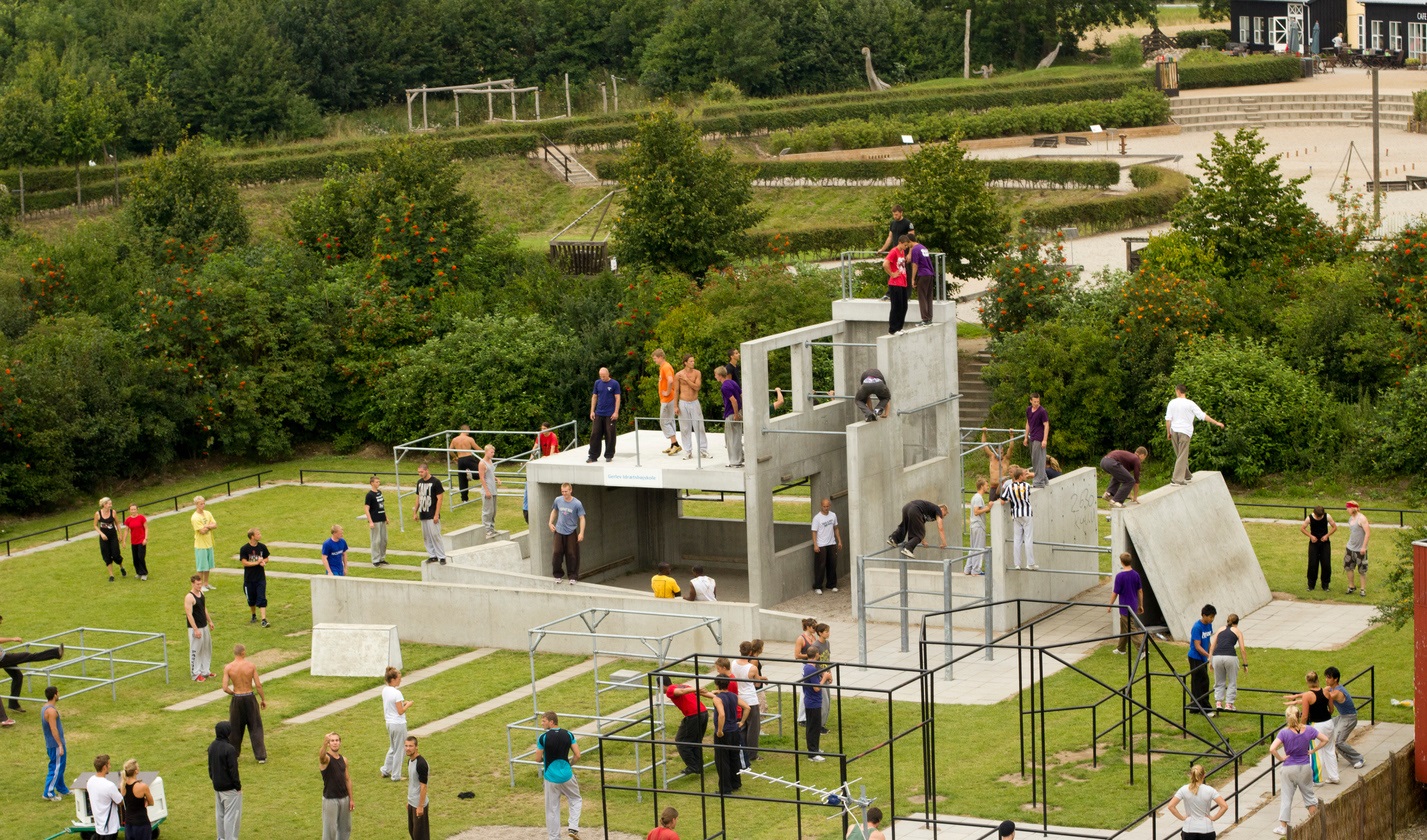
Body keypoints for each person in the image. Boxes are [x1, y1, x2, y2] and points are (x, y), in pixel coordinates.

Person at [1269, 705, 1328, 835]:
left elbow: (1272, 749)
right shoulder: (1308, 730)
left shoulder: (1284, 733)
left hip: (1289, 768)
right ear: (1299, 715)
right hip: (1305, 767)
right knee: (1309, 795)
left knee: (1286, 797)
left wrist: (1281, 758)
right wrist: (1313, 750)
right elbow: (1325, 739)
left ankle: (1283, 827)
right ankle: (1316, 821)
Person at [1, 614, 64, 719]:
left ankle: (13, 703)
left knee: (18, 676)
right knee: (29, 656)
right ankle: (56, 653)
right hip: (2, 659)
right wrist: (13, 639)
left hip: (3, 658)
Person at [1284, 670, 1339, 784]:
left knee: (1315, 752)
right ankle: (1334, 776)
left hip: (1316, 725)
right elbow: (1332, 709)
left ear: (1307, 682)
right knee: (1329, 750)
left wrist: (1302, 728)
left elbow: (1304, 715)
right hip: (1329, 722)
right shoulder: (1326, 691)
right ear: (1318, 680)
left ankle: (1317, 779)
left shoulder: (1307, 696)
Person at [1164, 384, 1225, 485]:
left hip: (1174, 430)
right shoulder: (1190, 403)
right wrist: (1216, 422)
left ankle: (1181, 477)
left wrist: (1168, 432)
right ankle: (1179, 478)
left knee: (1180, 454)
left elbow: (1168, 419)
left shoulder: (1172, 403)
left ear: (1178, 391)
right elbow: (1202, 415)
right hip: (1185, 431)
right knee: (1182, 455)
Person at [536, 711, 582, 840]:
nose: (542, 723)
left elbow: (537, 758)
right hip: (567, 775)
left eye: (544, 721)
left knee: (552, 809)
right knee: (576, 799)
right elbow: (578, 755)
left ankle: (554, 837)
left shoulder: (543, 738)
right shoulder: (568, 734)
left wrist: (544, 759)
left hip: (551, 777)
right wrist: (570, 764)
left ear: (551, 722)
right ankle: (573, 827)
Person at [222, 644, 267, 764]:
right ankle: (260, 756)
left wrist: (233, 693)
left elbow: (225, 687)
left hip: (237, 697)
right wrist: (263, 699)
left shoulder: (228, 667)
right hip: (249, 697)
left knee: (235, 727)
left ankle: (233, 754)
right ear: (243, 653)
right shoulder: (250, 666)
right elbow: (258, 685)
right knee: (255, 726)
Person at [664, 676, 712, 775]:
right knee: (695, 741)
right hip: (703, 713)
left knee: (681, 741)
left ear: (661, 685)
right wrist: (715, 696)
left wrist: (696, 689)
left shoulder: (670, 690)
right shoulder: (683, 685)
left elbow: (681, 692)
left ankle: (693, 766)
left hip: (694, 715)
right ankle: (698, 765)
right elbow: (701, 693)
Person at [1167, 764, 1228, 840]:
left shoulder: (1184, 789)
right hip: (1206, 829)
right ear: (1204, 775)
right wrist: (1214, 818)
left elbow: (1171, 806)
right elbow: (1224, 806)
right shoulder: (1210, 790)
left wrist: (1182, 817)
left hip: (1189, 829)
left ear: (1191, 775)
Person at [1322, 666, 1366, 770]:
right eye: (1326, 677)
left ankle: (1358, 759)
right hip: (1342, 716)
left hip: (1349, 718)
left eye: (1328, 677)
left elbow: (1321, 698)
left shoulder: (1337, 692)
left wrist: (1303, 699)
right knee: (1324, 728)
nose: (1326, 680)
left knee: (1339, 742)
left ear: (1335, 679)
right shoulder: (1333, 689)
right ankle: (1333, 755)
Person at [711, 676, 749, 791]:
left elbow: (721, 714)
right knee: (734, 758)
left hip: (724, 732)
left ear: (716, 684)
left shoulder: (718, 699)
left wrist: (720, 730)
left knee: (722, 761)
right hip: (734, 731)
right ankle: (736, 783)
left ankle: (725, 788)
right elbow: (747, 707)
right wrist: (742, 721)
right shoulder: (733, 696)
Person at [732, 641, 764, 762]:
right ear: (750, 652)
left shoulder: (733, 663)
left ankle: (743, 750)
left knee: (742, 725)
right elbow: (757, 683)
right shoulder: (752, 668)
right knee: (753, 728)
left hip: (739, 697)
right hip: (750, 699)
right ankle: (752, 754)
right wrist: (760, 678)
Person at [209, 722, 242, 840]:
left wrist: (214, 780)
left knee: (220, 814)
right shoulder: (230, 749)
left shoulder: (212, 746)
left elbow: (210, 767)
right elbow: (233, 770)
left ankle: (221, 838)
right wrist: (238, 786)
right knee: (231, 815)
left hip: (217, 786)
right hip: (229, 788)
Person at [319, 732, 355, 840]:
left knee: (345, 829)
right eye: (332, 741)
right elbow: (321, 757)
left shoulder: (344, 760)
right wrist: (324, 743)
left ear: (340, 742)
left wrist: (351, 799)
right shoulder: (326, 759)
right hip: (330, 799)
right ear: (329, 744)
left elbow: (347, 779)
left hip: (344, 798)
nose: (335, 743)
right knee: (330, 831)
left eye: (337, 740)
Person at [381, 667, 414, 782]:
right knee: (400, 750)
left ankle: (385, 770)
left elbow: (394, 705)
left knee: (392, 747)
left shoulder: (385, 690)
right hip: (398, 724)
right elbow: (400, 711)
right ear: (393, 679)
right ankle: (396, 775)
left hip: (389, 723)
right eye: (399, 678)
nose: (400, 680)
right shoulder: (397, 693)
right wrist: (408, 704)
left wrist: (402, 704)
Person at [1000, 467, 1037, 570]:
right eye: (1024, 475)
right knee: (1028, 538)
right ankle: (1030, 563)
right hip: (1027, 513)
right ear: (1020, 476)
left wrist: (1009, 499)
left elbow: (1002, 501)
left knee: (1017, 539)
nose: (1025, 476)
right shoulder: (1026, 485)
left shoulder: (1009, 487)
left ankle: (1017, 564)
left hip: (1016, 514)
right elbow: (1028, 493)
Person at [549, 483, 586, 584]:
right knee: (557, 552)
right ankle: (557, 575)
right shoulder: (558, 500)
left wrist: (581, 533)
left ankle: (572, 576)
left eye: (566, 491)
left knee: (571, 554)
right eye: (562, 492)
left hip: (571, 532)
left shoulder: (577, 503)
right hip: (559, 531)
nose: (564, 494)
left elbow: (582, 518)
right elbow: (554, 511)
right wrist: (550, 522)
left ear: (570, 490)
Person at [1108, 553, 1144, 656]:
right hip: (1133, 605)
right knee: (1124, 627)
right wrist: (1140, 605)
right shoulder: (1136, 574)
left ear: (1121, 562)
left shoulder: (1120, 576)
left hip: (1124, 607)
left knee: (1131, 628)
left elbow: (1115, 593)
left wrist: (1110, 605)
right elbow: (1140, 591)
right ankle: (1121, 649)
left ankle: (1142, 650)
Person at [674, 354, 708, 459]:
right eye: (691, 361)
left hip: (694, 401)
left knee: (699, 426)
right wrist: (675, 406)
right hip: (683, 402)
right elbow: (676, 390)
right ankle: (688, 451)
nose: (693, 363)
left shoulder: (697, 373)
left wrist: (687, 379)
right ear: (685, 363)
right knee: (685, 427)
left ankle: (703, 450)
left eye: (693, 361)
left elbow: (697, 387)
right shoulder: (678, 375)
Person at [1211, 615, 1248, 711]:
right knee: (1232, 681)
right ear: (1237, 622)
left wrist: (1210, 660)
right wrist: (1245, 664)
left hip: (1217, 656)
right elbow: (1242, 649)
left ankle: (1218, 702)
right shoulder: (1238, 631)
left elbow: (1213, 645)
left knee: (1219, 680)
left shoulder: (1220, 629)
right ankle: (1229, 704)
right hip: (1230, 657)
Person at [414, 463, 447, 565]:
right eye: (419, 472)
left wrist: (436, 514)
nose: (420, 474)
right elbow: (418, 497)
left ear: (427, 470)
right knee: (426, 536)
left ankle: (441, 556)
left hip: (432, 513)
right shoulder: (419, 482)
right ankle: (432, 555)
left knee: (435, 535)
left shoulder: (435, 482)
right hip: (423, 513)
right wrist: (415, 512)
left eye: (422, 472)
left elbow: (440, 498)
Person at [588, 367, 622, 462]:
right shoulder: (597, 383)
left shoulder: (614, 384)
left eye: (604, 376)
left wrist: (616, 412)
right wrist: (592, 411)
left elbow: (618, 398)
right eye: (601, 376)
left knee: (610, 434)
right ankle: (593, 456)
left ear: (608, 374)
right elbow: (594, 397)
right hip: (599, 412)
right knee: (595, 434)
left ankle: (609, 454)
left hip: (610, 414)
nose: (602, 378)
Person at [186, 574, 215, 682]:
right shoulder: (189, 597)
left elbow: (204, 609)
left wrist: (210, 621)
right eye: (197, 584)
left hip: (204, 625)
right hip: (196, 627)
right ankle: (195, 673)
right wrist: (195, 629)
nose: (199, 586)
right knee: (196, 650)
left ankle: (205, 671)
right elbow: (189, 615)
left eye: (200, 584)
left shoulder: (201, 593)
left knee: (206, 648)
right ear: (193, 583)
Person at [1187, 605, 1216, 715]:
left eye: (1213, 617)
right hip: (1195, 657)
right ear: (1204, 615)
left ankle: (1195, 707)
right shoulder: (1197, 627)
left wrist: (1211, 652)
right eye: (1210, 617)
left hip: (1203, 657)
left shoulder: (1209, 625)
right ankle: (1205, 708)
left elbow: (1207, 641)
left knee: (1198, 682)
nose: (1212, 619)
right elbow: (1197, 646)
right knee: (1202, 681)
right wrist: (1208, 655)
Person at [1300, 506, 1336, 592]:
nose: (1319, 518)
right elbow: (1302, 528)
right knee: (1313, 563)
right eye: (1318, 516)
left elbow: (1334, 527)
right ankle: (1311, 585)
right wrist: (1311, 536)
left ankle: (1325, 585)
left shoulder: (1327, 516)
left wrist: (1327, 536)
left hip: (1325, 543)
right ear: (1314, 513)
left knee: (1326, 563)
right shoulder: (1309, 518)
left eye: (1321, 516)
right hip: (1314, 543)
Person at [88, 754, 124, 840]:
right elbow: (120, 802)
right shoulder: (109, 786)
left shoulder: (90, 781)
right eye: (109, 764)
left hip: (99, 826)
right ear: (104, 767)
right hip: (110, 828)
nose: (110, 766)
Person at [41, 687, 68, 800]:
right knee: (56, 768)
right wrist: (60, 745)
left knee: (60, 766)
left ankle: (62, 789)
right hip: (55, 744)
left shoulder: (45, 707)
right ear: (55, 695)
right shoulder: (51, 711)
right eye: (58, 692)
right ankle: (48, 793)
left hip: (52, 743)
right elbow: (53, 729)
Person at [811, 497, 842, 594]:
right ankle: (818, 586)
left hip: (831, 543)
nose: (826, 508)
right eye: (824, 506)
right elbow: (814, 532)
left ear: (830, 506)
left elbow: (836, 528)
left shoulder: (833, 515)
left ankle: (831, 584)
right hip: (821, 545)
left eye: (827, 506)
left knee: (832, 564)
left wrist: (839, 541)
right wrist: (815, 545)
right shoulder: (817, 518)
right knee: (820, 566)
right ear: (821, 506)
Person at [239, 529, 270, 627]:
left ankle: (264, 619)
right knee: (251, 599)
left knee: (261, 598)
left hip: (260, 578)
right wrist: (256, 562)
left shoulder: (262, 547)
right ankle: (253, 614)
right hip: (249, 579)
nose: (260, 535)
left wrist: (263, 561)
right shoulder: (244, 549)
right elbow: (244, 562)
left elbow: (266, 558)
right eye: (258, 534)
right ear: (252, 536)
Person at [905, 232, 937, 327]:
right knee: (928, 297)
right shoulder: (923, 247)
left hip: (922, 275)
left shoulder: (915, 249)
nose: (907, 246)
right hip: (930, 274)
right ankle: (929, 318)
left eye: (907, 243)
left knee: (922, 297)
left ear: (910, 241)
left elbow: (915, 265)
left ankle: (925, 319)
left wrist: (912, 279)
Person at [715, 366, 744, 468]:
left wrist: (736, 414)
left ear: (719, 375)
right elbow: (741, 395)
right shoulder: (733, 382)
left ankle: (735, 461)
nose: (715, 377)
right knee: (737, 436)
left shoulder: (724, 387)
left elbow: (733, 400)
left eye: (715, 375)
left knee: (731, 438)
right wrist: (741, 411)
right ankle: (741, 456)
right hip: (739, 411)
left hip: (731, 414)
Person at [121, 758, 156, 840]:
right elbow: (151, 802)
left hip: (128, 824)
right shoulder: (142, 786)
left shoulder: (123, 785)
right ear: (136, 771)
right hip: (141, 824)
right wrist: (145, 800)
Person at [94, 496, 127, 582]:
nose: (110, 505)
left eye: (111, 504)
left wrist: (120, 534)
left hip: (113, 536)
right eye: (109, 504)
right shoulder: (98, 514)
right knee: (107, 556)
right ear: (104, 505)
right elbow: (95, 525)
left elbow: (117, 524)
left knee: (116, 554)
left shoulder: (113, 512)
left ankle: (121, 567)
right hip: (104, 538)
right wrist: (101, 534)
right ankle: (111, 575)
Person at [654, 349, 680, 455]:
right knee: (669, 421)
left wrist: (667, 392)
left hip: (668, 399)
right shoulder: (663, 367)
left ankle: (676, 444)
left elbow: (670, 380)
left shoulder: (666, 367)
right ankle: (673, 445)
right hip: (667, 399)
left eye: (655, 358)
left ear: (660, 357)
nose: (654, 360)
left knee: (664, 421)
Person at [404, 736, 430, 840]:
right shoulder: (410, 761)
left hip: (419, 804)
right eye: (406, 746)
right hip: (412, 802)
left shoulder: (421, 764)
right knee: (413, 832)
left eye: (410, 746)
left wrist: (420, 806)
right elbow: (412, 783)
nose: (408, 748)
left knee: (420, 835)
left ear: (416, 747)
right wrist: (409, 801)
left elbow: (423, 786)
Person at [1343, 501, 1370, 596]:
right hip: (1350, 547)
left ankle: (1363, 589)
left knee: (1362, 570)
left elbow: (1367, 533)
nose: (1347, 510)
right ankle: (1351, 586)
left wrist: (1363, 547)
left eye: (1348, 508)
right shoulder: (1351, 518)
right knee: (1348, 567)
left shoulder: (1362, 518)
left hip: (1360, 549)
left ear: (1353, 508)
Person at [801, 658, 826, 762]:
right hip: (812, 703)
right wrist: (824, 677)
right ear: (816, 655)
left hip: (812, 702)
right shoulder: (811, 669)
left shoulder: (808, 667)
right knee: (813, 728)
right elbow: (816, 687)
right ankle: (812, 753)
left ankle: (815, 749)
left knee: (815, 727)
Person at [192, 495, 219, 591]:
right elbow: (202, 531)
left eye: (204, 503)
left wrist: (206, 526)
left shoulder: (208, 513)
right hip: (200, 546)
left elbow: (215, 525)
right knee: (201, 567)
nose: (203, 505)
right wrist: (209, 526)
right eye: (201, 504)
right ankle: (199, 586)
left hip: (209, 543)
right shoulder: (195, 517)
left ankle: (206, 583)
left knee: (208, 566)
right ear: (196, 505)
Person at [966, 478, 991, 575]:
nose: (987, 487)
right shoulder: (978, 498)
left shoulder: (976, 497)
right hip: (978, 525)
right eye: (986, 485)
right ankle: (976, 570)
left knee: (973, 547)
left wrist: (987, 508)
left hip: (974, 525)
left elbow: (981, 510)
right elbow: (976, 511)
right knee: (979, 547)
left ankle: (968, 568)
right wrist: (987, 508)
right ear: (982, 486)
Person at [885, 237, 909, 334]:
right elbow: (885, 264)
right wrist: (892, 274)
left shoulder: (902, 252)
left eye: (907, 245)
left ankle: (899, 327)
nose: (906, 247)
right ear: (900, 242)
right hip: (895, 283)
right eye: (905, 245)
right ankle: (893, 329)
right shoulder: (894, 251)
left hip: (902, 282)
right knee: (896, 306)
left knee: (904, 306)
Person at [364, 475, 390, 567]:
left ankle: (382, 558)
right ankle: (375, 559)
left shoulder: (379, 492)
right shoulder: (369, 495)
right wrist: (370, 521)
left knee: (384, 540)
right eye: (376, 482)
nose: (378, 483)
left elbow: (381, 505)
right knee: (376, 540)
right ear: (372, 483)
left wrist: (386, 517)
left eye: (379, 482)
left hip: (382, 518)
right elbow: (366, 508)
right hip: (375, 519)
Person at [1025, 394, 1049, 489]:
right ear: (1031, 401)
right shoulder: (1028, 410)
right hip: (1032, 436)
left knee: (1038, 459)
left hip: (1039, 437)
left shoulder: (1042, 411)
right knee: (1034, 458)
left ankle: (1038, 480)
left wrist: (1044, 440)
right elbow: (1028, 423)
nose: (1036, 403)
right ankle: (1044, 478)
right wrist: (1026, 437)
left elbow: (1046, 425)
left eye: (1038, 401)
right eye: (1035, 402)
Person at [451, 425, 479, 503]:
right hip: (468, 457)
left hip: (460, 459)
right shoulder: (469, 439)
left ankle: (464, 499)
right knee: (478, 473)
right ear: (467, 430)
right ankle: (470, 473)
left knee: (462, 479)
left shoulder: (454, 439)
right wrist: (485, 451)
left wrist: (455, 457)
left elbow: (450, 450)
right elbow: (477, 448)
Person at [121, 503, 149, 580]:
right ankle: (138, 572)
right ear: (129, 510)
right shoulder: (128, 520)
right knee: (135, 558)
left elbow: (146, 528)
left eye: (134, 509)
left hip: (141, 541)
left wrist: (145, 538)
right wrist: (124, 541)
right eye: (131, 509)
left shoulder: (141, 518)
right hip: (134, 542)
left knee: (141, 557)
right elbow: (126, 530)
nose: (133, 511)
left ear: (137, 509)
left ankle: (144, 573)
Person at [479, 443, 500, 538]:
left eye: (493, 452)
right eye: (491, 452)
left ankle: (491, 528)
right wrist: (487, 491)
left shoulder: (491, 462)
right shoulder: (482, 463)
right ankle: (486, 529)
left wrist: (497, 479)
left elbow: (490, 474)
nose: (493, 454)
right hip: (487, 490)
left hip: (493, 489)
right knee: (487, 510)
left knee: (493, 511)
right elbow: (482, 478)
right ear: (486, 452)